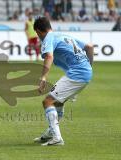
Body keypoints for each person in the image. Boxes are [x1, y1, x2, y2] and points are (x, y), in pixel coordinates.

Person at [33, 17, 93, 146]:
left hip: (77, 73)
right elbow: (89, 47)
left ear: (38, 31)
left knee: (47, 101)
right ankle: (50, 133)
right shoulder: (61, 35)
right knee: (58, 102)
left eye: (37, 34)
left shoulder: (48, 38)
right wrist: (89, 67)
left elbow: (49, 56)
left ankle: (57, 138)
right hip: (83, 72)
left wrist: (43, 77)